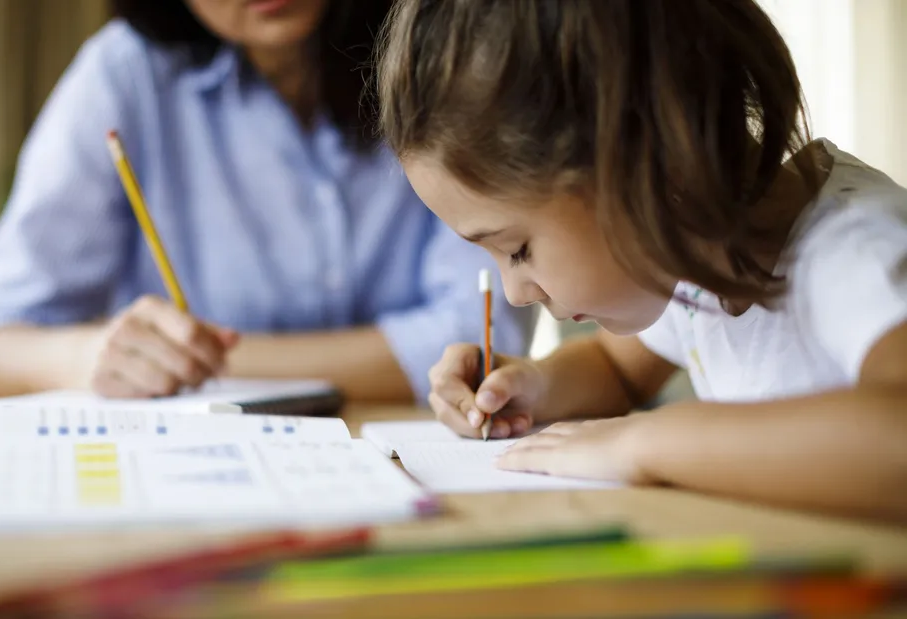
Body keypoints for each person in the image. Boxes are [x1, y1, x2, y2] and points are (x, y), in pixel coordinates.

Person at [378, 0, 907, 521]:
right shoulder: (691, 257)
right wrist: (530, 387)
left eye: (518, 249)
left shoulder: (856, 250)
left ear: (644, 159)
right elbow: (615, 370)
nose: (517, 293)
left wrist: (651, 442)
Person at [0, 0, 531, 403]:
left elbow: (480, 335)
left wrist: (203, 368)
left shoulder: (445, 55)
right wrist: (94, 356)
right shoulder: (123, 76)